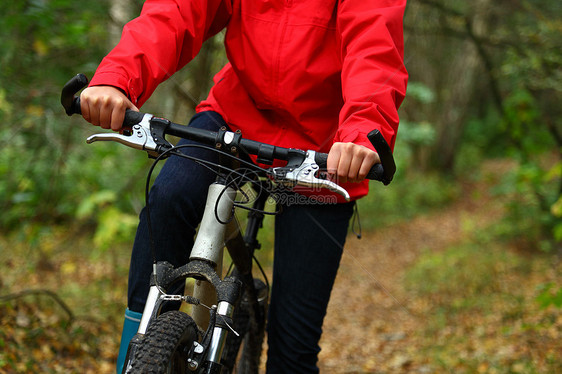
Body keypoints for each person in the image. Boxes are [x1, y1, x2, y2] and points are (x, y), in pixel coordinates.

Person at [79, 0, 408, 372]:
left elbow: (374, 50)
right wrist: (117, 77)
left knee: (293, 352)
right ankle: (136, 357)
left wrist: (362, 133)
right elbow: (176, 13)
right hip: (233, 118)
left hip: (327, 152)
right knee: (171, 196)